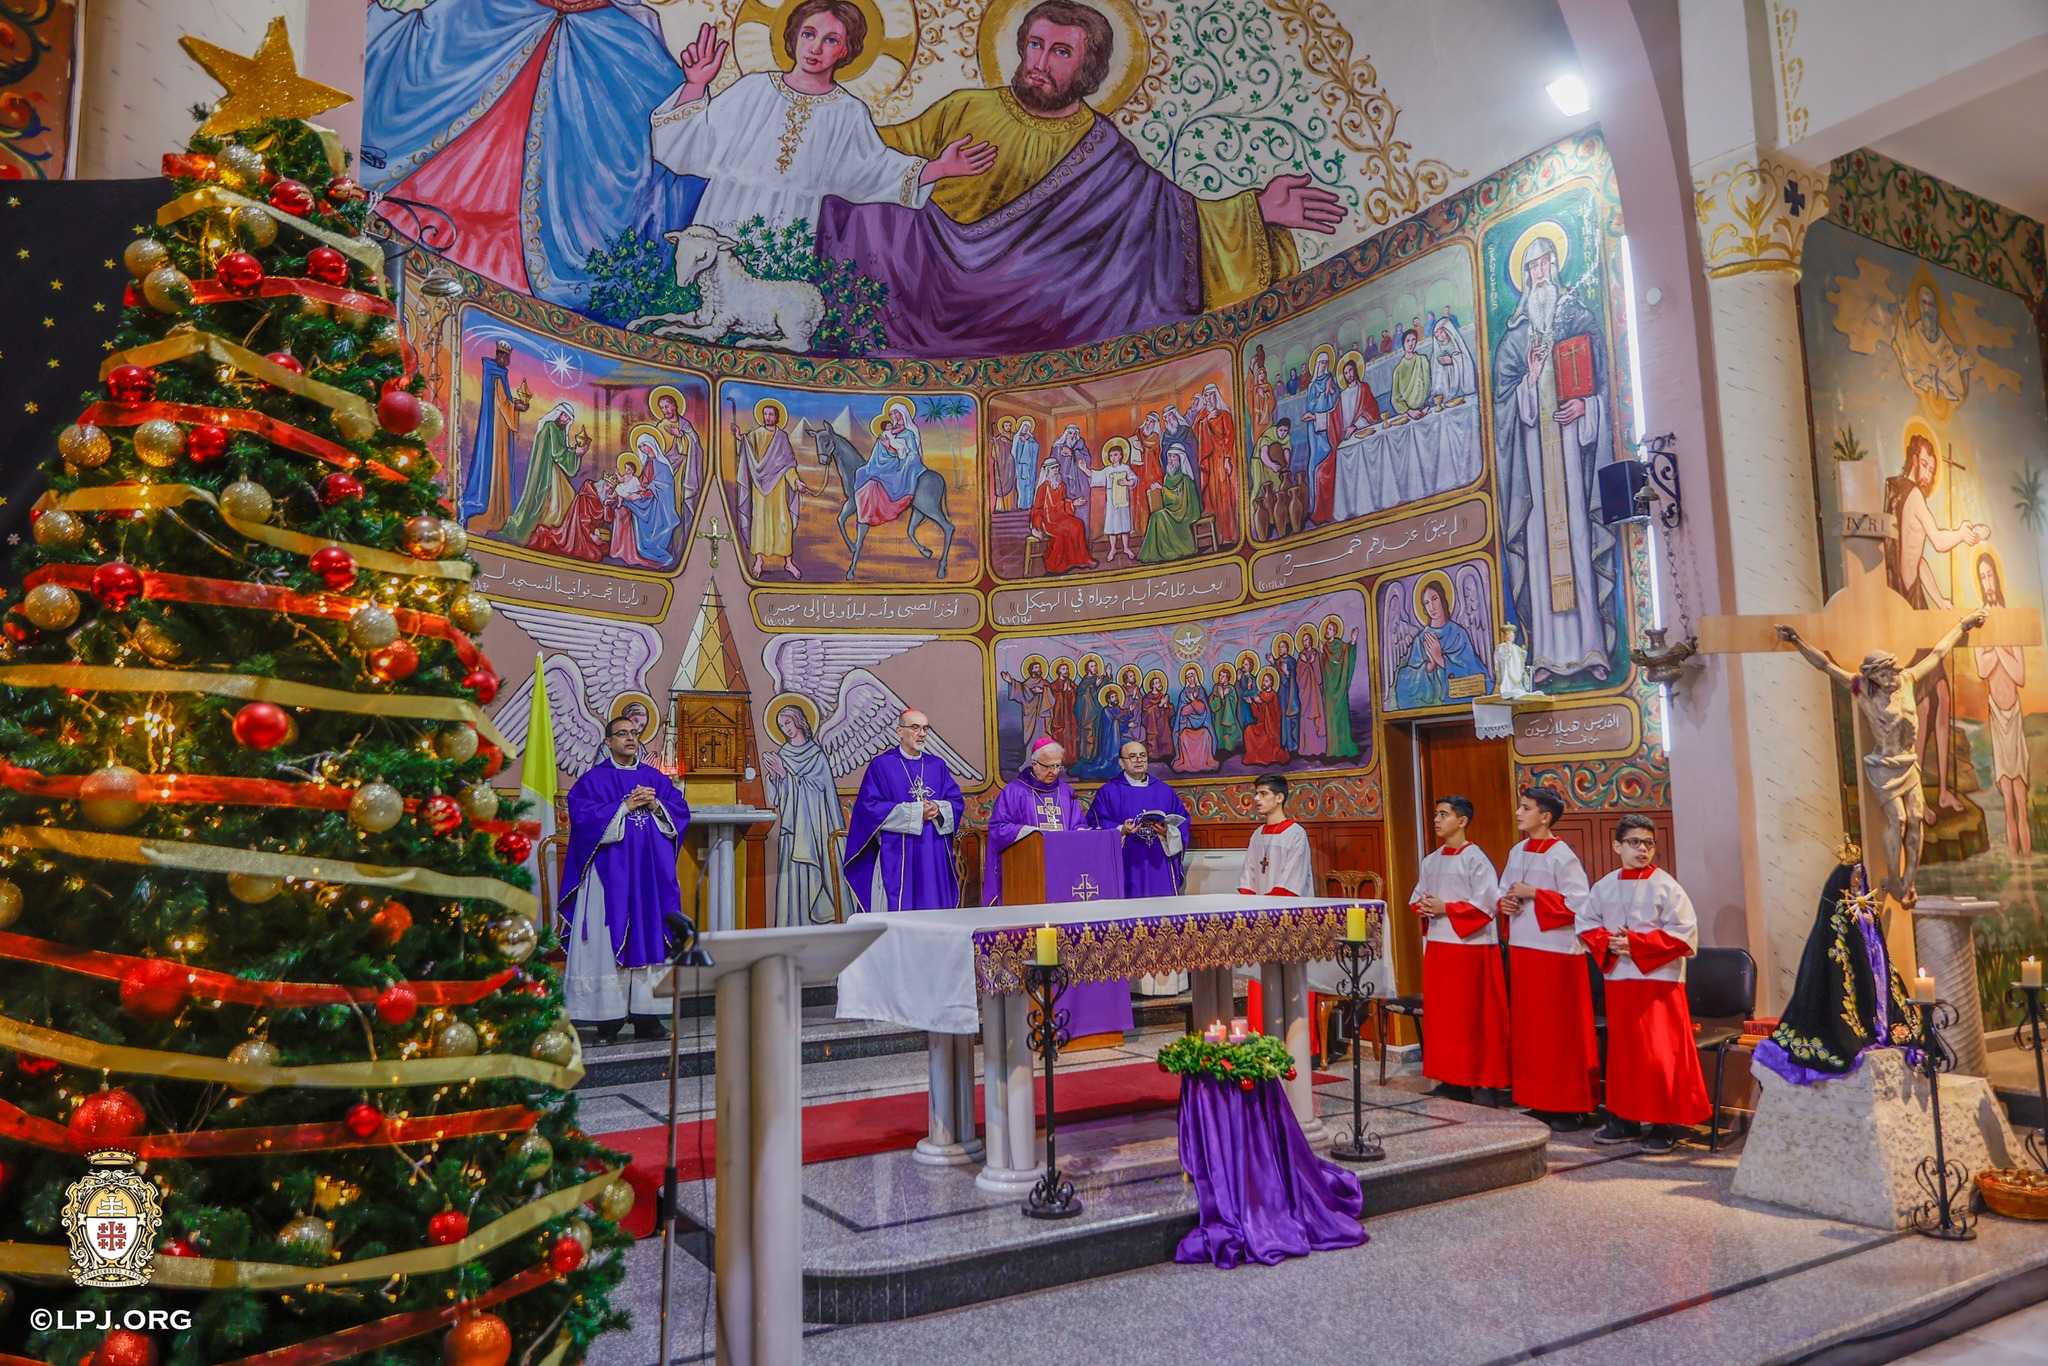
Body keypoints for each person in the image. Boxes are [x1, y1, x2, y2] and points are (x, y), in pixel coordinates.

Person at [814, 0, 1343, 356]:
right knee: (863, 221)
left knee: (1096, 284)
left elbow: (1171, 223)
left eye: (1060, 52)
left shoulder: (1104, 149)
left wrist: (1256, 211)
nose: (1040, 62)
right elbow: (875, 155)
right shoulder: (964, 108)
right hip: (929, 280)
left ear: (1089, 69)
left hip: (1038, 308)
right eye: (1035, 45)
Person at [649, 4, 993, 253]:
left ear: (847, 50)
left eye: (830, 40)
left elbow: (871, 171)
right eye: (809, 34)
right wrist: (695, 86)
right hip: (723, 213)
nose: (815, 48)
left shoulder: (847, 113)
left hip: (788, 227)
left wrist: (941, 168)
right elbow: (692, 147)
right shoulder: (753, 89)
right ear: (793, 36)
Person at [1492, 228, 1613, 687]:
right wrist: (1532, 377)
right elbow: (1506, 405)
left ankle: (1591, 647)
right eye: (1531, 268)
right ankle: (1544, 655)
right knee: (1542, 551)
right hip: (1534, 467)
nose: (1539, 275)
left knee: (1578, 542)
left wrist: (1587, 408)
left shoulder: (1578, 317)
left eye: (1545, 264)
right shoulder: (1515, 338)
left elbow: (1599, 385)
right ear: (1523, 277)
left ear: (1556, 268)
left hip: (1569, 456)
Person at [1580, 816, 1711, 1152]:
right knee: (1625, 1055)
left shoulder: (1667, 886)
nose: (1643, 849)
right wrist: (1610, 942)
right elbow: (1585, 923)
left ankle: (1661, 1125)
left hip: (1658, 983)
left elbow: (1684, 934)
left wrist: (1636, 944)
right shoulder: (1604, 886)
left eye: (1649, 843)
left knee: (1657, 1056)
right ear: (1617, 846)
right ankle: (1624, 1119)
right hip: (1620, 980)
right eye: (1635, 842)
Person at [986, 739, 1133, 1037]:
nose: (1054, 772)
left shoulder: (1065, 792)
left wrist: (1096, 835)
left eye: (1058, 766)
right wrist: (1030, 833)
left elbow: (1077, 827)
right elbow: (998, 828)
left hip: (1064, 881)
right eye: (1049, 766)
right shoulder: (1014, 792)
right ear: (1035, 764)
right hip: (1030, 882)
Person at [561, 716, 692, 1042]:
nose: (630, 739)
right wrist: (624, 806)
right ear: (608, 742)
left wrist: (657, 805)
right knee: (607, 942)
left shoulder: (655, 779)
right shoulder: (592, 781)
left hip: (649, 878)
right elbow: (582, 818)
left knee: (650, 937)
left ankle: (648, 1018)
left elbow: (680, 811)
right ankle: (607, 1021)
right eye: (622, 734)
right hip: (609, 878)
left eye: (634, 734)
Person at [1883, 432, 1988, 817]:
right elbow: (1938, 543)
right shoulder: (1910, 493)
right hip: (1907, 607)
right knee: (1924, 704)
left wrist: (1940, 599)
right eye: (1926, 464)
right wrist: (1963, 532)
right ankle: (1922, 795)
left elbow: (1917, 557)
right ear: (1914, 458)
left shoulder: (1894, 492)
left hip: (1912, 600)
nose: (1928, 473)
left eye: (1932, 467)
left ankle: (1941, 791)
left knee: (1939, 697)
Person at [1495, 788, 1598, 1127]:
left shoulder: (1561, 855)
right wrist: (1505, 903)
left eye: (1526, 808)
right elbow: (1503, 890)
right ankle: (1537, 1099)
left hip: (1557, 953)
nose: (1519, 812)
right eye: (1520, 806)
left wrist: (1535, 893)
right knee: (1531, 1030)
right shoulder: (1516, 851)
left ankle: (1569, 1105)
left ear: (1545, 817)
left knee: (1559, 1032)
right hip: (1525, 949)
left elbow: (1579, 903)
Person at [1410, 796, 1507, 1102]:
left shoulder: (1476, 859)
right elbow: (1417, 897)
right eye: (1436, 814)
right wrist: (1424, 906)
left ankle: (1484, 1081)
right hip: (1440, 946)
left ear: (1462, 821)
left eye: (1444, 814)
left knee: (1473, 1017)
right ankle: (1453, 1080)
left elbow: (1487, 904)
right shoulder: (1432, 859)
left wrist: (1446, 908)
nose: (1436, 819)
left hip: (1470, 948)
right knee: (1445, 1018)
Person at [843, 709, 964, 913]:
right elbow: (869, 808)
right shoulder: (882, 765)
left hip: (933, 851)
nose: (922, 733)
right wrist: (916, 813)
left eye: (925, 728)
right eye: (915, 727)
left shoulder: (937, 765)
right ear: (900, 731)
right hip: (898, 851)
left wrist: (939, 807)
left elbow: (956, 802)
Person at [764, 703, 845, 926]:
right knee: (792, 881)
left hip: (813, 834)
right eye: (781, 726)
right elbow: (778, 800)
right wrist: (775, 777)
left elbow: (819, 792)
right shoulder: (784, 753)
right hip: (791, 831)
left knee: (811, 879)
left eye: (788, 723)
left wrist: (785, 773)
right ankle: (793, 925)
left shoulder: (816, 756)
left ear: (798, 721)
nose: (785, 729)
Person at [1974, 553, 2031, 856]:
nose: (1987, 582)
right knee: (2007, 800)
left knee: (2022, 800)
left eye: (1990, 575)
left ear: (1997, 577)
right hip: (1997, 715)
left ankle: (2028, 876)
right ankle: (2015, 866)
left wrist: (1996, 646)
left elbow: (2019, 675)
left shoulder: (2011, 620)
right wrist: (1996, 642)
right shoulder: (1979, 623)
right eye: (1981, 577)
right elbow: (1982, 670)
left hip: (2015, 714)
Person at [1088, 740, 1190, 897]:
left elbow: (1182, 821)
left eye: (1143, 756)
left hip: (1159, 863)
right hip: (1127, 863)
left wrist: (1167, 831)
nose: (1139, 760)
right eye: (1133, 756)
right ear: (1122, 762)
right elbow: (1095, 823)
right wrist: (1121, 830)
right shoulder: (1108, 792)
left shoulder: (1164, 791)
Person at [732, 400, 813, 579]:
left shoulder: (782, 437)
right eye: (765, 414)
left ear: (777, 417)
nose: (767, 417)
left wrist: (797, 482)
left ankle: (788, 562)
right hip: (760, 491)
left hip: (777, 490)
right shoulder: (756, 434)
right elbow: (747, 447)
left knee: (783, 524)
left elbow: (788, 466)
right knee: (760, 524)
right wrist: (740, 437)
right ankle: (759, 559)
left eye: (771, 414)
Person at [1395, 576, 1488, 708]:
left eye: (1434, 599)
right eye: (1426, 603)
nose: (1431, 606)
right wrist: (1429, 666)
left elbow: (1476, 675)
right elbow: (1406, 685)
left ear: (1443, 599)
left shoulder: (1458, 634)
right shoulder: (1420, 640)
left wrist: (1440, 659)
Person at [505, 402, 580, 544]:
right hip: (546, 471)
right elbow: (557, 453)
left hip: (554, 470)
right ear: (558, 414)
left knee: (567, 497)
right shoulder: (550, 427)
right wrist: (575, 453)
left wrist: (575, 454)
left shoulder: (560, 430)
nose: (566, 420)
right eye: (564, 416)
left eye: (569, 419)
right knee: (557, 501)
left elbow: (561, 452)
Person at [853, 399, 927, 528]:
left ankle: (886, 508)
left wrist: (904, 461)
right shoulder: (888, 432)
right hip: (890, 460)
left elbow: (913, 452)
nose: (893, 416)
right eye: (891, 414)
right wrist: (887, 448)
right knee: (861, 472)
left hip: (906, 460)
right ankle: (866, 512)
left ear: (903, 413)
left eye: (895, 413)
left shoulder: (909, 433)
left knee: (883, 477)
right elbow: (883, 450)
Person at [1237, 773, 1311, 896]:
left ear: (1279, 798)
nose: (1256, 798)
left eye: (1263, 794)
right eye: (1256, 793)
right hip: (1260, 909)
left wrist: (1269, 906)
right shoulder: (1257, 835)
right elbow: (1248, 876)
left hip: (1286, 908)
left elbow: (1292, 881)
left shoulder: (1295, 834)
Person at [1029, 457, 1096, 574]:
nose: (1056, 470)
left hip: (1061, 517)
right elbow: (1037, 509)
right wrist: (1036, 526)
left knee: (1078, 525)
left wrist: (1074, 503)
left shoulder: (1061, 485)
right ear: (1047, 471)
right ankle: (1054, 566)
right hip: (1048, 521)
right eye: (1053, 468)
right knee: (1062, 532)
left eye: (1057, 468)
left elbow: (1063, 503)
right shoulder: (1043, 488)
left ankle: (1081, 560)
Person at [1137, 448, 1201, 564]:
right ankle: (1159, 551)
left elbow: (1180, 500)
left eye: (1174, 457)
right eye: (1169, 456)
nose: (1171, 460)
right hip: (1170, 510)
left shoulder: (1186, 480)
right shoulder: (1167, 478)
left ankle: (1171, 550)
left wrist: (1162, 489)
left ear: (1180, 459)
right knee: (1156, 515)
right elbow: (1166, 499)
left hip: (1183, 512)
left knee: (1159, 515)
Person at [1193, 384, 1238, 544]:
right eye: (1205, 396)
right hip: (1210, 462)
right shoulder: (1202, 416)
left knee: (1225, 494)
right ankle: (1219, 536)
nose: (1208, 398)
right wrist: (1206, 420)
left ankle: (1230, 534)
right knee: (1213, 496)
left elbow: (1229, 436)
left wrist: (1226, 459)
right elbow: (1196, 432)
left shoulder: (1224, 414)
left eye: (1210, 395)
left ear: (1216, 396)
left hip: (1222, 459)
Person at [1087, 438, 1139, 562]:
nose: (1113, 457)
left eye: (1115, 455)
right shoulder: (1107, 470)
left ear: (1121, 455)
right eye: (1110, 455)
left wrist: (1128, 482)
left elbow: (1134, 478)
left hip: (1123, 500)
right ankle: (1113, 549)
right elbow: (1096, 476)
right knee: (1112, 525)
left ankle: (1126, 548)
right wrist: (1084, 469)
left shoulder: (1126, 468)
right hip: (1111, 501)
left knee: (1124, 524)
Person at [1319, 618, 1359, 759]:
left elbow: (1348, 652)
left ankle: (1344, 746)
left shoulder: (1340, 645)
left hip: (1339, 686)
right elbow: (1322, 667)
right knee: (1330, 718)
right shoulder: (1324, 647)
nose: (1328, 631)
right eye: (1327, 629)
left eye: (1330, 629)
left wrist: (1353, 641)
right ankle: (1333, 749)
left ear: (1335, 632)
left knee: (1340, 716)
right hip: (1329, 688)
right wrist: (1321, 654)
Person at [1173, 666, 1219, 773]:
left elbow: (1202, 710)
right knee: (1183, 736)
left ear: (1196, 677)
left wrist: (1193, 700)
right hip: (1187, 728)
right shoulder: (1184, 693)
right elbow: (1183, 712)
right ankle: (1188, 763)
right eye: (1187, 677)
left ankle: (1203, 763)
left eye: (1191, 676)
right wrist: (1194, 704)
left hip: (1202, 727)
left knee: (1206, 734)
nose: (1189, 679)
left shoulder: (1201, 691)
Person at [1242, 667, 1289, 766]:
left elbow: (1276, 713)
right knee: (1248, 730)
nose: (1264, 682)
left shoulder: (1273, 695)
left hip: (1271, 728)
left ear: (1271, 683)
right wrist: (1252, 703)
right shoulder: (1262, 694)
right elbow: (1258, 714)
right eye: (1263, 680)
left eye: (1266, 681)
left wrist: (1262, 702)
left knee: (1265, 739)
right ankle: (1253, 757)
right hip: (1262, 724)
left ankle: (1264, 757)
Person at [1432, 314, 1475, 400]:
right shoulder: (1440, 349)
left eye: (1441, 332)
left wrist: (1452, 360)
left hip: (1460, 381)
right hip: (1448, 381)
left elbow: (1465, 360)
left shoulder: (1457, 344)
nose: (1440, 337)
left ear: (1447, 330)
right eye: (1437, 336)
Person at [1390, 328, 1431, 415]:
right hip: (1409, 414)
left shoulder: (1423, 360)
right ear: (1403, 343)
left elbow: (1430, 384)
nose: (1411, 343)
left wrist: (1428, 405)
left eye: (1413, 340)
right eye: (1408, 341)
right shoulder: (1398, 370)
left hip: (1426, 408)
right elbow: (1395, 399)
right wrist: (1409, 411)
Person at [1208, 663, 1242, 758]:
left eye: (1223, 676)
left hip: (1228, 716)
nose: (1221, 678)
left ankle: (1229, 750)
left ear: (1228, 678)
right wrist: (1219, 696)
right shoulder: (1216, 687)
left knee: (1229, 732)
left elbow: (1234, 702)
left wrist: (1224, 696)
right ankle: (1220, 749)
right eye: (1220, 675)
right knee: (1218, 732)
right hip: (1219, 716)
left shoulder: (1230, 689)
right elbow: (1212, 702)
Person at [1013, 417, 1041, 511]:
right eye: (1025, 425)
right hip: (1020, 464)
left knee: (1030, 484)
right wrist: (1022, 442)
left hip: (1030, 465)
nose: (1026, 428)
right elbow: (1014, 451)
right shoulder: (1017, 437)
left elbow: (1036, 447)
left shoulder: (1031, 437)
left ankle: (1029, 504)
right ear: (1021, 426)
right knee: (1021, 484)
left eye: (1028, 426)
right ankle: (1021, 504)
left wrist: (1028, 442)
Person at [992, 416, 1019, 510]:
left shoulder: (1015, 437)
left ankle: (1012, 506)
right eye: (1006, 425)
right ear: (1003, 426)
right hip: (1001, 464)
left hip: (1011, 463)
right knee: (1002, 483)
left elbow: (1018, 447)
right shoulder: (999, 438)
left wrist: (1009, 442)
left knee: (1012, 481)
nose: (1008, 427)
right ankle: (1001, 507)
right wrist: (995, 444)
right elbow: (994, 454)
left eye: (1010, 425)